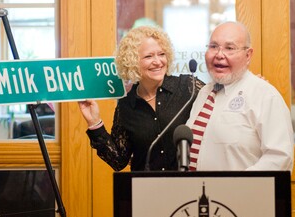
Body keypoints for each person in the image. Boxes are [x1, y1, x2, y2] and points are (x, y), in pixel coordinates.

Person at [78, 26, 203, 171]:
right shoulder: (126, 106)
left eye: (161, 54)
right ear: (132, 62)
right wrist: (94, 122)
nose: (158, 62)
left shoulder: (189, 87)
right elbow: (118, 161)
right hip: (144, 189)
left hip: (188, 187)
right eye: (148, 56)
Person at [186, 21, 294, 171]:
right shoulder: (204, 93)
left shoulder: (265, 96)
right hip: (199, 192)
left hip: (240, 193)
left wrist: (239, 185)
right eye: (213, 46)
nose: (219, 55)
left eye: (229, 48)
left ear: (248, 55)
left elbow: (280, 157)